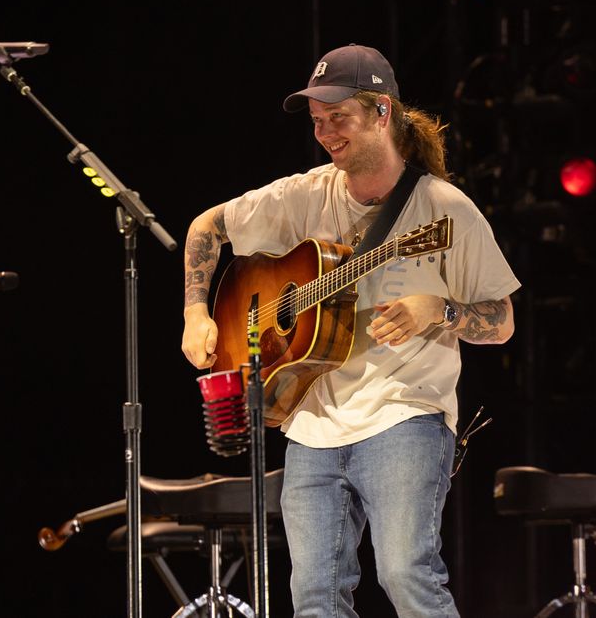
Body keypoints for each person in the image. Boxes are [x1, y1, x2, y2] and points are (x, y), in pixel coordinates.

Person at [181, 44, 519, 616]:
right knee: (313, 596)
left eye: (339, 118)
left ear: (382, 111)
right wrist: (196, 310)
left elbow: (503, 323)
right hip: (311, 423)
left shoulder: (444, 210)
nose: (326, 133)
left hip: (403, 415)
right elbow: (206, 227)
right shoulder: (307, 193)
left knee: (405, 576)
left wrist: (441, 310)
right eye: (317, 122)